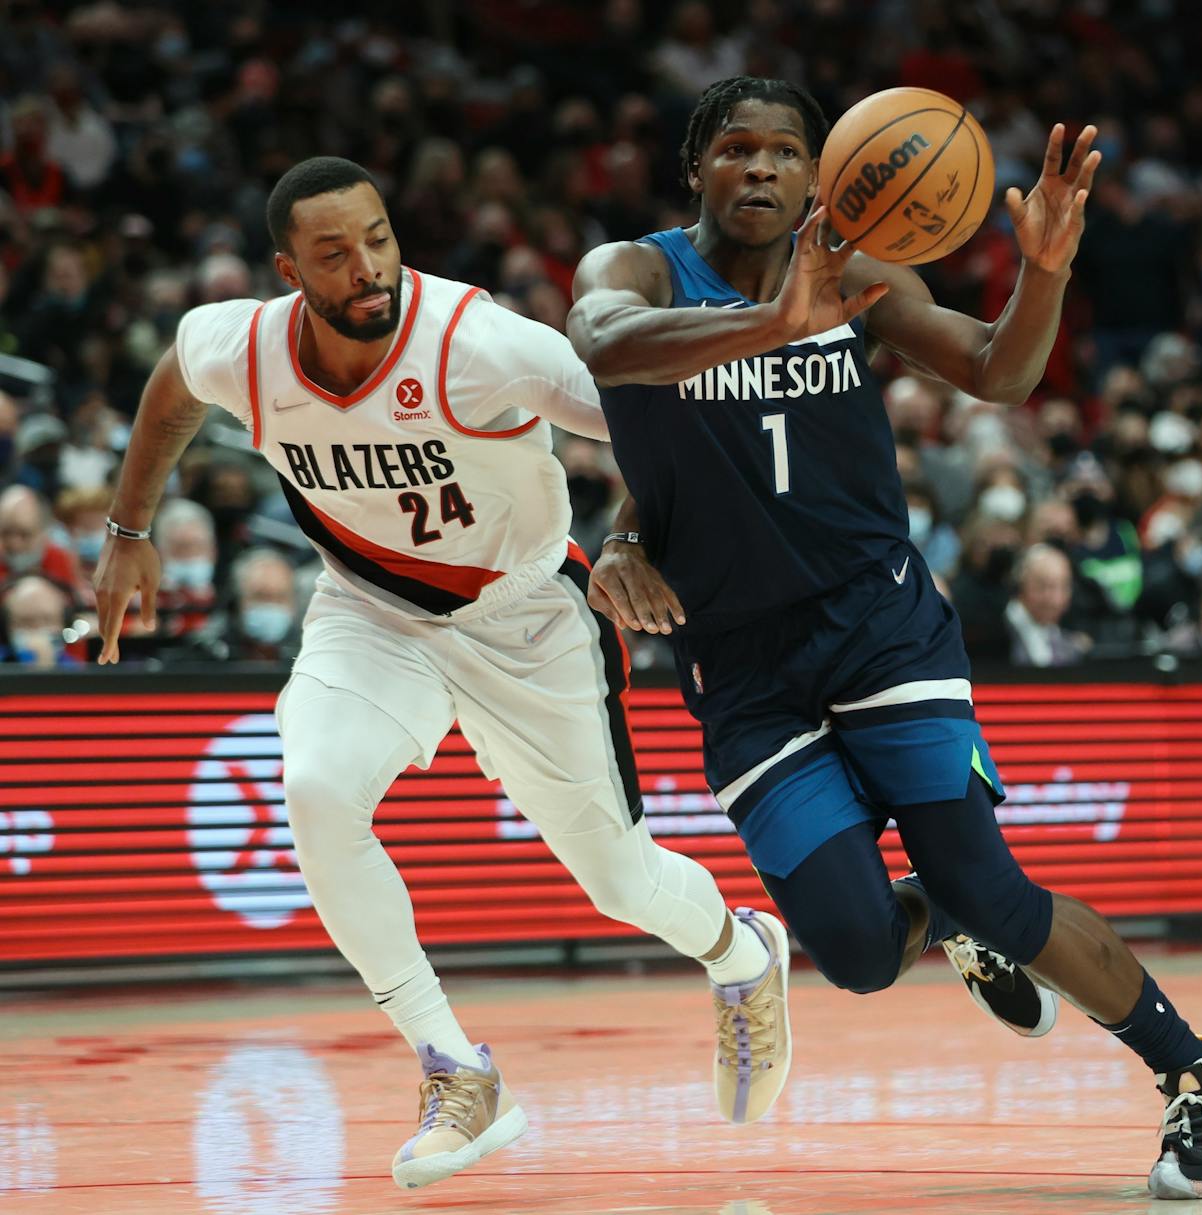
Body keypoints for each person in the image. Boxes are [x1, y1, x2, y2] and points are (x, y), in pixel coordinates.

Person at [568, 76, 1202, 1200]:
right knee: (856, 955)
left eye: (785, 153)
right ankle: (946, 924)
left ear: (817, 172)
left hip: (877, 623)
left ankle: (1196, 1074)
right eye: (735, 150)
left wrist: (1042, 272)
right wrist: (768, 332)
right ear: (696, 169)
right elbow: (605, 345)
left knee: (994, 890)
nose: (761, 171)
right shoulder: (631, 270)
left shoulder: (858, 269)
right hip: (738, 659)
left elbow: (1001, 371)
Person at [92, 157, 791, 1191]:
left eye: (377, 238)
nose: (367, 267)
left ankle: (741, 955)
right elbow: (169, 390)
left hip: (526, 618)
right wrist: (128, 527)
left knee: (617, 882)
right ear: (290, 270)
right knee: (316, 793)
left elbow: (663, 422)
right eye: (334, 254)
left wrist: (636, 535)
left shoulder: (480, 342)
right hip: (369, 614)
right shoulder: (237, 346)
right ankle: (454, 1068)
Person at [1005, 544, 1089, 667]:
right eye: (1043, 586)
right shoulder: (997, 632)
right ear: (1020, 586)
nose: (1056, 599)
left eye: (1064, 587)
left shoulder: (1068, 642)